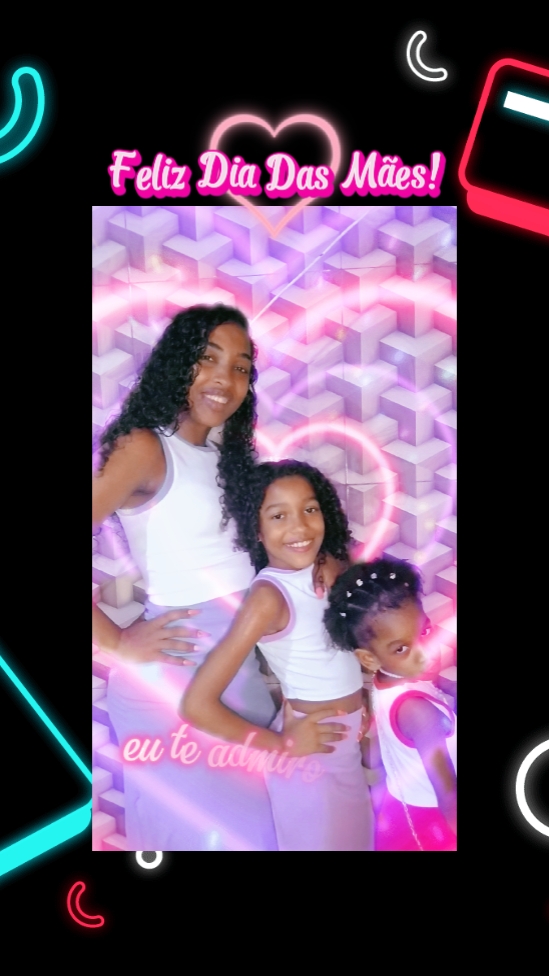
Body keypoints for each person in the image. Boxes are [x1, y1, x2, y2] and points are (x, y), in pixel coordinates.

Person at [93, 304, 339, 851]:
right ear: (178, 363)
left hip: (236, 673)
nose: (225, 379)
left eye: (241, 367)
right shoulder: (143, 446)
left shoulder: (222, 456)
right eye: (208, 359)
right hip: (175, 686)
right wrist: (116, 642)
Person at [182, 460, 374, 852]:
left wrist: (336, 562)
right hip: (311, 763)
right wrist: (281, 745)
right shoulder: (269, 598)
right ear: (256, 529)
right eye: (278, 516)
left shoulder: (329, 570)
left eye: (310, 509)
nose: (299, 527)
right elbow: (196, 706)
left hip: (343, 751)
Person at [324, 558, 457, 851]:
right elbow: (450, 798)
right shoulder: (418, 712)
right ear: (368, 658)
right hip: (432, 828)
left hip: (401, 814)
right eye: (401, 648)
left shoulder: (386, 681)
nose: (423, 652)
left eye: (424, 632)